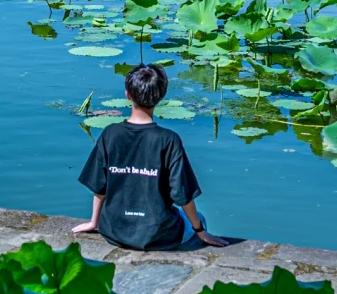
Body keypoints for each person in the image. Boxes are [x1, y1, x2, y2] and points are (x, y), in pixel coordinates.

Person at [73, 63, 231, 250]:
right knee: (200, 218)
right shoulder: (169, 140)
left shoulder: (110, 134)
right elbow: (182, 194)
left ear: (128, 95)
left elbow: (100, 187)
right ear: (161, 97)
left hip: (115, 231)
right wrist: (200, 230)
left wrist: (94, 222)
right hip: (158, 235)